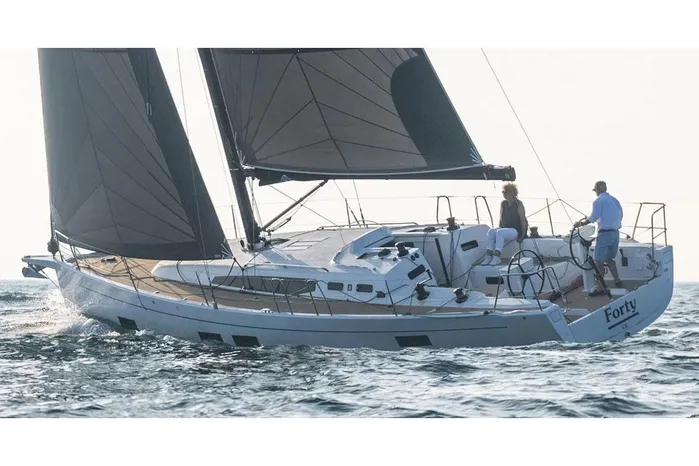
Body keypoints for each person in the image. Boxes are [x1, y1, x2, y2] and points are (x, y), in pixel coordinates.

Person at [573, 180, 624, 296]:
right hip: (615, 233)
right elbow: (621, 214)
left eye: (595, 190)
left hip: (605, 234)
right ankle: (617, 280)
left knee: (599, 261)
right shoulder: (614, 200)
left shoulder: (598, 201)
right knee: (609, 258)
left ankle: (600, 288)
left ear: (597, 190)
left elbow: (593, 217)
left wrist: (580, 224)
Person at [483, 182, 528, 265]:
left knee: (500, 232)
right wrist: (499, 229)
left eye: (505, 191)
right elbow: (501, 218)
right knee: (491, 231)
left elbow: (523, 220)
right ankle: (488, 256)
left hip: (515, 230)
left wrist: (522, 235)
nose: (503, 193)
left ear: (512, 193)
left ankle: (496, 257)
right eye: (503, 191)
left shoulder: (519, 204)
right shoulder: (503, 204)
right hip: (505, 229)